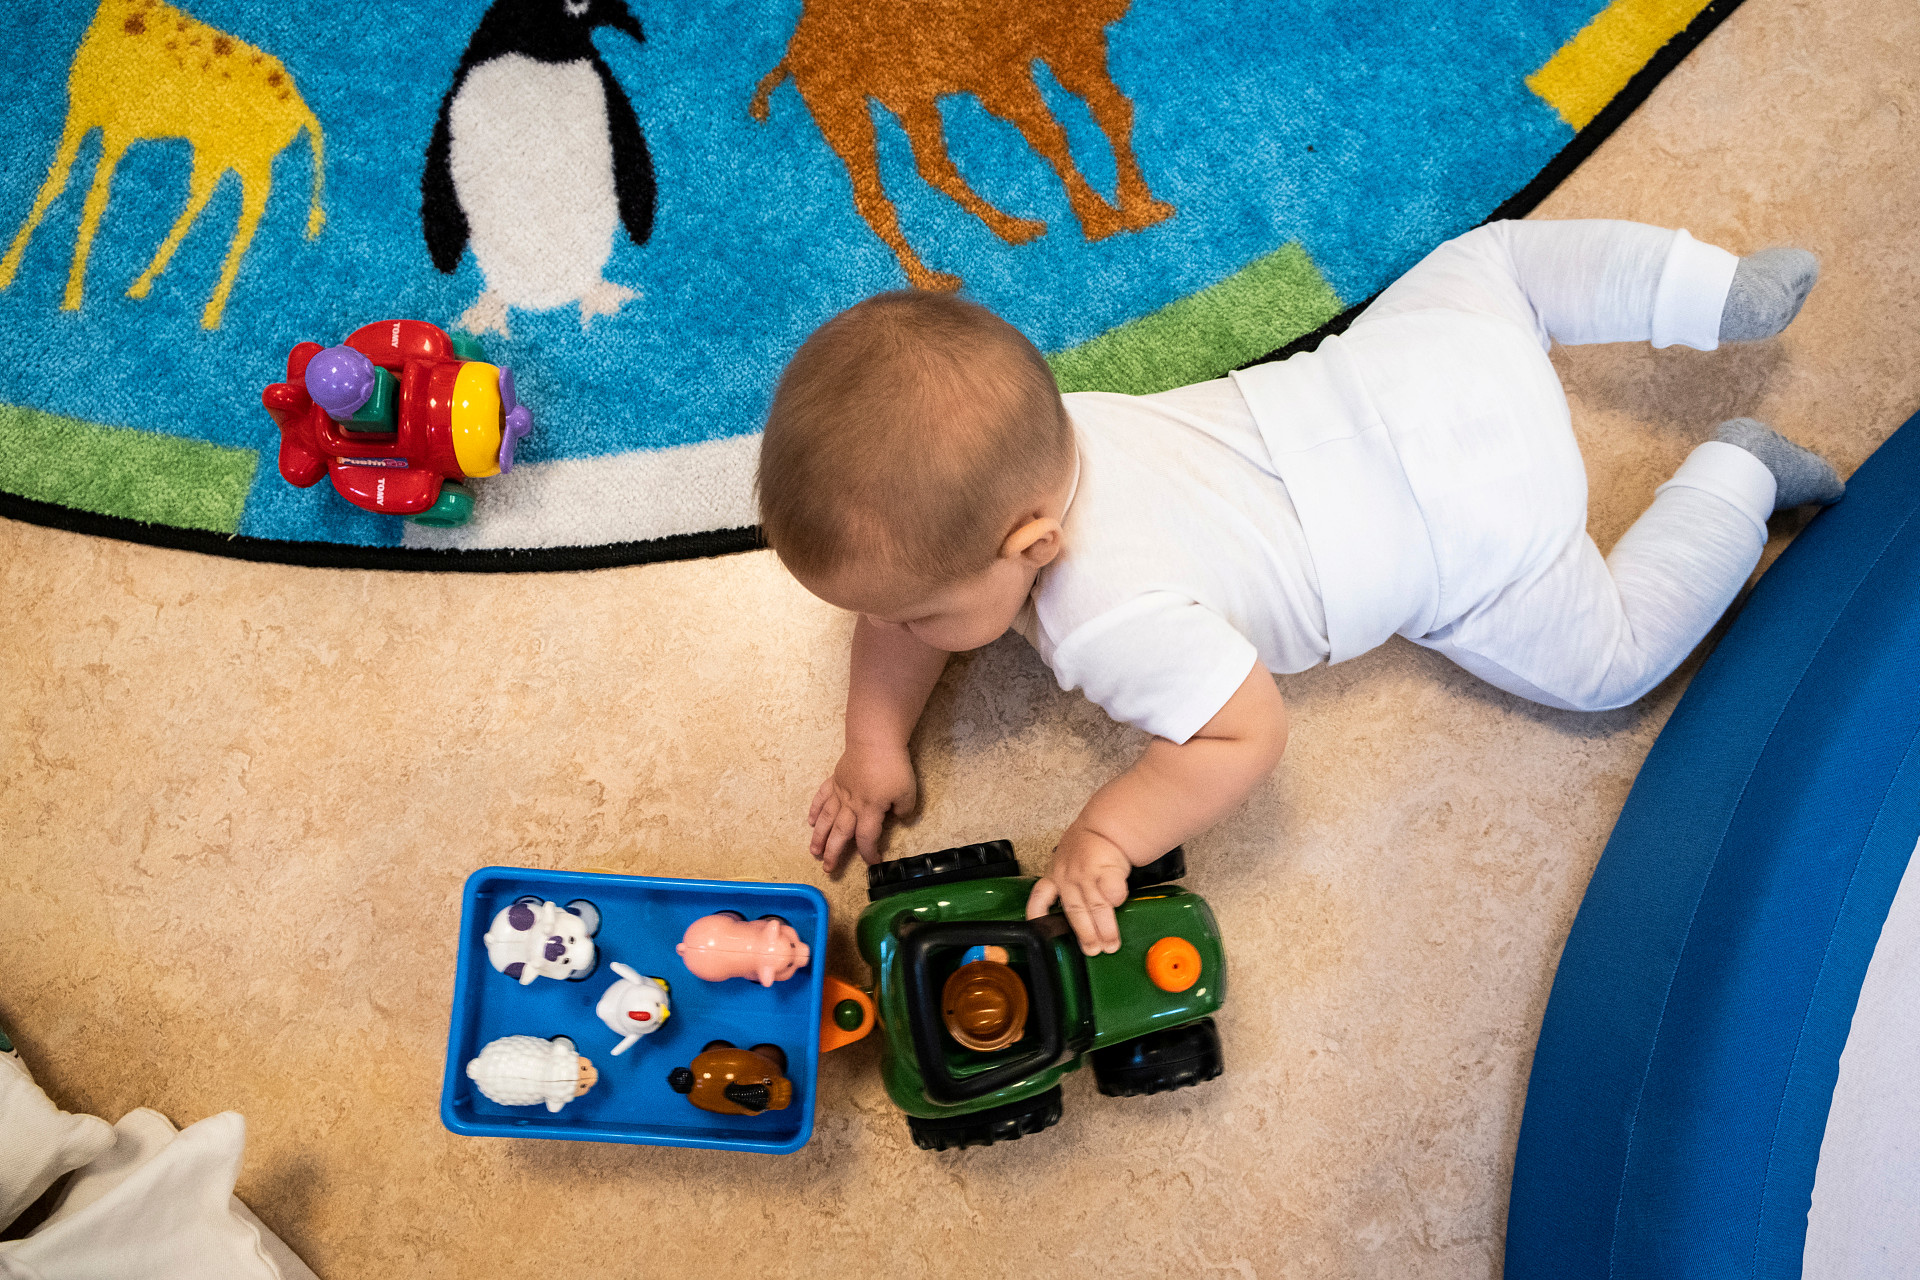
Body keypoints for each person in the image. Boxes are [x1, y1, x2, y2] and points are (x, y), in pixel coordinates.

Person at [755, 219, 1844, 956]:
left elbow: (1242, 734)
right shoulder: (1049, 422)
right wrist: (874, 738)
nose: (891, 630)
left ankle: (1739, 475)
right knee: (1497, 263)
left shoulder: (1107, 621)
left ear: (1035, 546)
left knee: (1603, 666)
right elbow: (915, 582)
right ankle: (1712, 288)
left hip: (1475, 533)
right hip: (1420, 365)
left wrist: (1109, 833)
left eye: (913, 615)